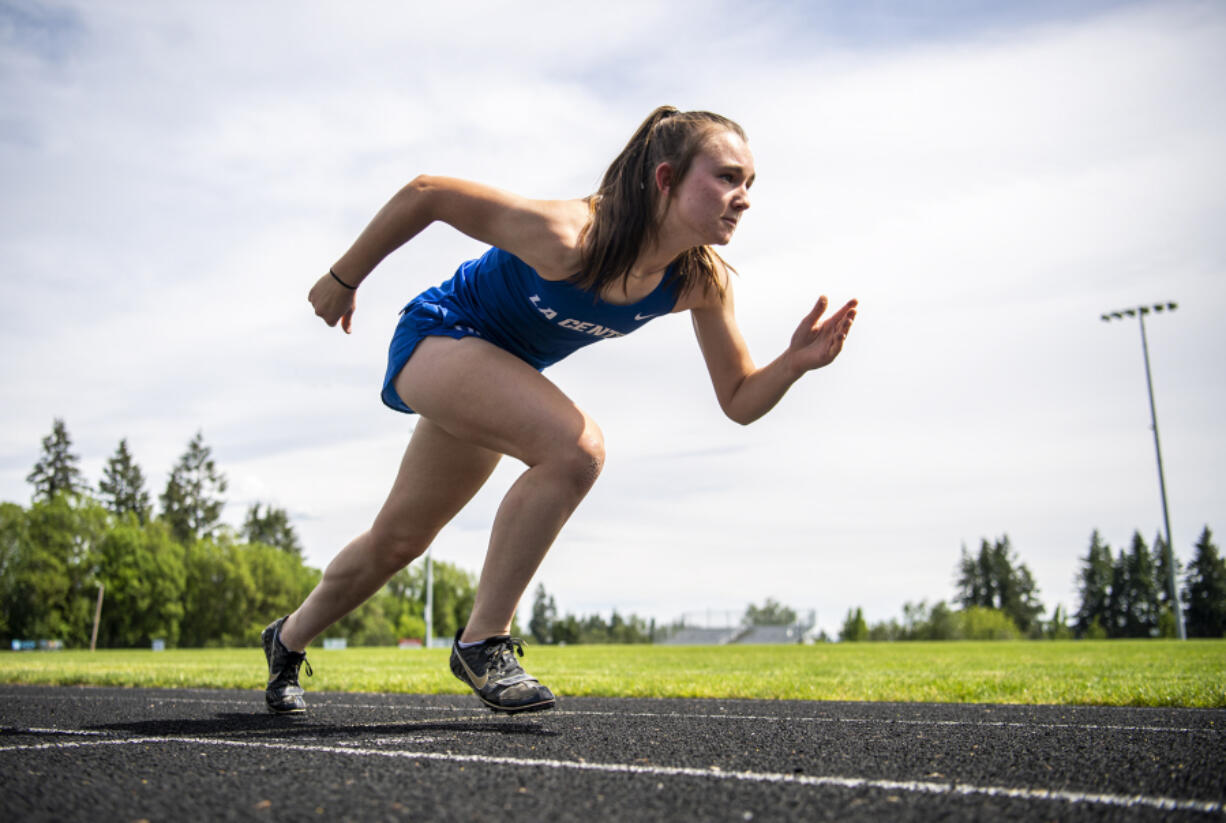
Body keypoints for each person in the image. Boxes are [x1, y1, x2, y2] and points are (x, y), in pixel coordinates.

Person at [261, 105, 858, 715]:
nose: (744, 197)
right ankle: (482, 644)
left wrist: (792, 363)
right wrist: (344, 276)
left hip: (499, 373)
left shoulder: (699, 281)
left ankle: (286, 640)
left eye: (750, 184)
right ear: (666, 179)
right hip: (440, 336)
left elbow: (737, 402)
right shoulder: (570, 235)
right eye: (728, 177)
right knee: (576, 450)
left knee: (398, 541)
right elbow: (428, 193)